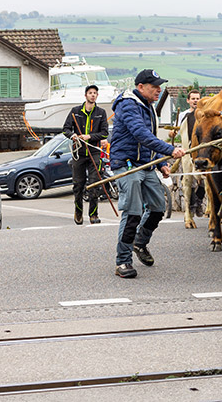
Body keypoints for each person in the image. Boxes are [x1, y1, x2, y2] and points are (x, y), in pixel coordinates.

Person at [110, 69, 186, 279]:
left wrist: (160, 163)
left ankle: (139, 242)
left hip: (145, 164)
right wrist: (169, 150)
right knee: (132, 212)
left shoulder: (148, 106)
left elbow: (148, 140)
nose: (158, 90)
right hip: (126, 166)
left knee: (157, 208)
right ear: (141, 87)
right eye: (154, 86)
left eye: (159, 86)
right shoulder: (128, 104)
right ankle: (123, 261)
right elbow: (140, 134)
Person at [62, 84, 109, 225]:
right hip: (79, 152)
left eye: (95, 93)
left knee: (94, 184)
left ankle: (93, 215)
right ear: (85, 95)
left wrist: (90, 136)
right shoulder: (75, 111)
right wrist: (73, 136)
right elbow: (65, 129)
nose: (93, 95)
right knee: (78, 185)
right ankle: (78, 211)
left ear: (97, 96)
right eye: (90, 93)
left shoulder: (101, 112)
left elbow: (105, 133)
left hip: (94, 152)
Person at [176, 89, 205, 217]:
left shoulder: (205, 114)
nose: (195, 101)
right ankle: (190, 209)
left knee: (205, 181)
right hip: (188, 151)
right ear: (188, 101)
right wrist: (172, 133)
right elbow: (177, 131)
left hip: (202, 151)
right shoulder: (184, 115)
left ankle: (199, 203)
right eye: (193, 98)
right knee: (188, 181)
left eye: (197, 98)